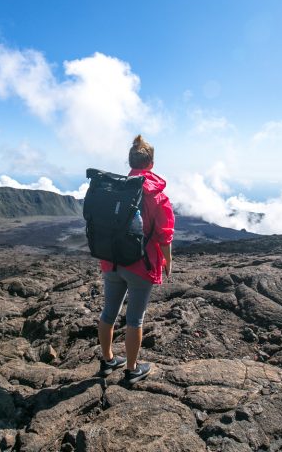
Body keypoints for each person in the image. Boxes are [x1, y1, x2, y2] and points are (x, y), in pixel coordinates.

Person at [97, 135, 175, 385]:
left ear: (130, 162)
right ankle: (131, 369)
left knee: (108, 312)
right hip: (141, 265)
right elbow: (164, 235)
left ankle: (108, 360)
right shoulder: (156, 195)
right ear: (151, 163)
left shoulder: (116, 188)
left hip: (112, 260)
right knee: (135, 319)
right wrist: (167, 261)